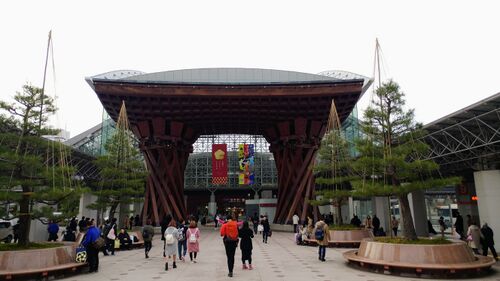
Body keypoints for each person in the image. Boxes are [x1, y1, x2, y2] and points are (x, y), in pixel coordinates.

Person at [220, 213, 239, 278]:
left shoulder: (225, 224)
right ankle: (232, 270)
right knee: (232, 256)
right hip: (234, 242)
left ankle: (230, 271)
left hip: (227, 242)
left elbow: (222, 234)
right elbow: (238, 233)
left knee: (229, 257)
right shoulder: (235, 224)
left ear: (227, 219)